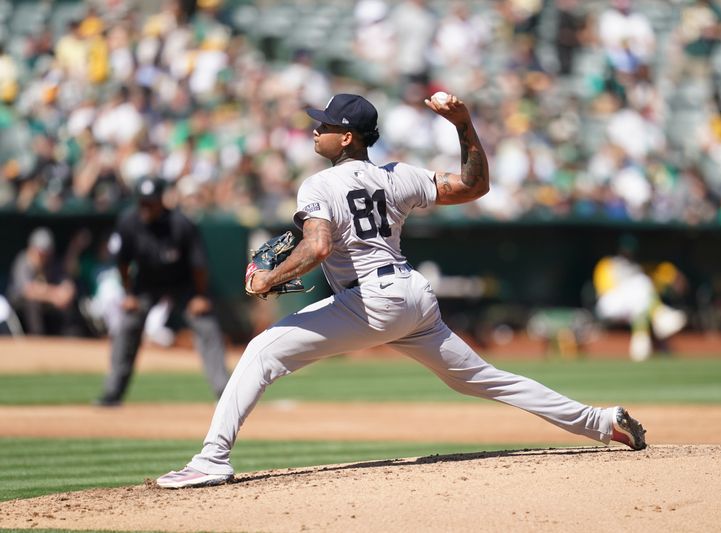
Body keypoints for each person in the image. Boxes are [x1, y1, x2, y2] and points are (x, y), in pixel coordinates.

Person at [156, 93, 647, 489]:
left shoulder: (318, 186)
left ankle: (211, 459)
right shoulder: (398, 174)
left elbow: (320, 246)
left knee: (262, 350)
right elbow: (475, 187)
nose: (315, 129)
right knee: (480, 378)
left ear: (346, 138)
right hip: (412, 295)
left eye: (323, 125)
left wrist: (270, 276)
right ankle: (600, 423)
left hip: (371, 300)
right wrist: (463, 124)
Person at [94, 176, 229, 406]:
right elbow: (123, 263)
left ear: (161, 201)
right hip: (146, 284)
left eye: (151, 202)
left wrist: (199, 295)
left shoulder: (181, 223)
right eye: (142, 202)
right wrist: (128, 294)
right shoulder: (128, 222)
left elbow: (199, 265)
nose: (146, 207)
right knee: (127, 325)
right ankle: (112, 392)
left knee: (206, 325)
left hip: (183, 284)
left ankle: (225, 392)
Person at [593, 234, 688, 361]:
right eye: (625, 250)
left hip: (630, 305)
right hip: (608, 303)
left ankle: (640, 344)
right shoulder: (608, 263)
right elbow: (605, 289)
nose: (627, 253)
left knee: (640, 304)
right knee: (642, 283)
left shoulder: (636, 266)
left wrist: (673, 275)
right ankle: (660, 316)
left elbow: (663, 273)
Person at [6, 227, 82, 336]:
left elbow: (66, 283)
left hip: (47, 304)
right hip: (20, 305)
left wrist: (66, 292)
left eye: (46, 253)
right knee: (32, 304)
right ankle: (38, 340)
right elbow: (28, 291)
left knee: (68, 306)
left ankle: (71, 340)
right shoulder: (23, 261)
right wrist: (53, 295)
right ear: (32, 248)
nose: (43, 256)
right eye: (40, 252)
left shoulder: (52, 262)